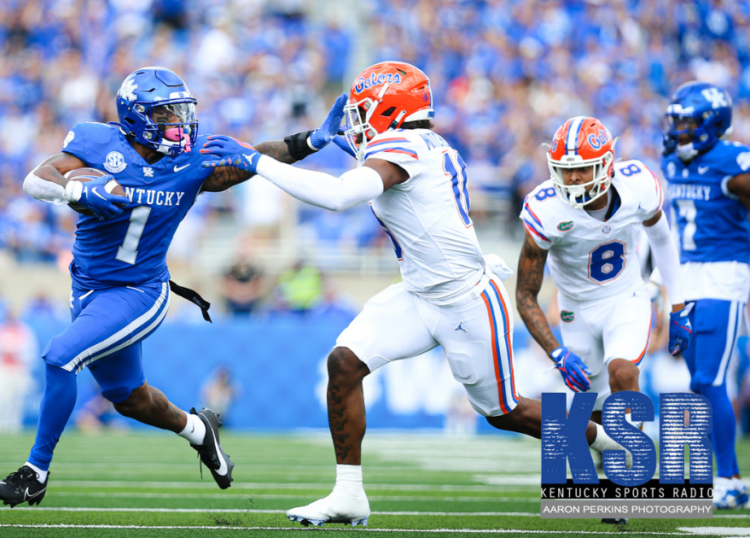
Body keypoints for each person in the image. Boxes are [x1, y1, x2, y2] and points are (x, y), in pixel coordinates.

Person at [201, 61, 631, 527]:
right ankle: (348, 495)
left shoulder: (405, 144)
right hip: (419, 293)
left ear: (390, 110)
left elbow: (340, 196)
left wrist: (257, 162)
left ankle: (608, 442)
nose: (358, 122)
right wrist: (311, 143)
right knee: (344, 362)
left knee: (503, 411)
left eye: (366, 111)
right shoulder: (417, 143)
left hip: (466, 298)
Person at [0, 66, 346, 507]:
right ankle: (200, 430)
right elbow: (36, 179)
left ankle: (34, 473)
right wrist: (77, 194)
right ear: (136, 117)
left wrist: (310, 141)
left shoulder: (192, 160)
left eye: (181, 111)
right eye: (166, 114)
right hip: (88, 289)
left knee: (60, 357)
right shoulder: (99, 143)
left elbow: (257, 158)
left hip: (139, 290)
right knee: (129, 398)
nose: (179, 123)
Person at [514, 116, 689, 422]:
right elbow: (525, 293)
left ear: (607, 165)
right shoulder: (545, 210)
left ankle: (633, 460)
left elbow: (662, 240)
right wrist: (555, 351)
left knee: (622, 373)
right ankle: (604, 463)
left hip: (625, 296)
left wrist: (678, 306)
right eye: (566, 171)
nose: (574, 179)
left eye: (583, 169)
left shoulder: (637, 185)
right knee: (591, 403)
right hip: (575, 308)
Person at [662, 81, 750, 509]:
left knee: (708, 379)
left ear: (711, 125)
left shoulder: (734, 161)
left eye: (687, 122)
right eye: (676, 121)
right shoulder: (673, 162)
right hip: (686, 276)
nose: (678, 129)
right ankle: (716, 475)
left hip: (724, 274)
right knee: (698, 384)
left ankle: (730, 478)